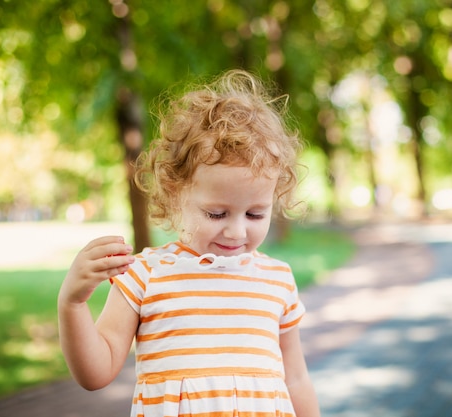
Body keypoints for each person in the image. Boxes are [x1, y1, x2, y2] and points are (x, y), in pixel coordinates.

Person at [57, 69, 321, 417]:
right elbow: (96, 372)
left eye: (255, 214)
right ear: (176, 194)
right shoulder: (145, 276)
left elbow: (296, 379)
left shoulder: (277, 280)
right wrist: (72, 304)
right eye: (216, 214)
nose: (238, 232)